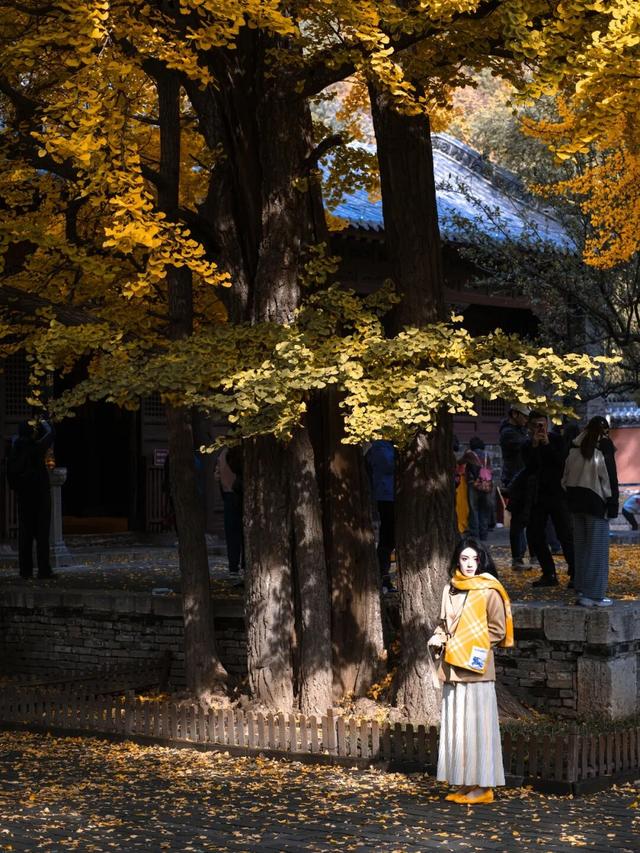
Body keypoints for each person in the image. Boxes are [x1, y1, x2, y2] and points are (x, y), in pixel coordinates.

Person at [428, 537, 514, 805]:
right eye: (464, 559)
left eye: (474, 559)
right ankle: (466, 782)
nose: (469, 564)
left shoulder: (489, 589)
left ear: (481, 560)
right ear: (457, 560)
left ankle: (484, 787)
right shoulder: (450, 589)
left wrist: (468, 648)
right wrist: (438, 638)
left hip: (476, 670)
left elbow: (498, 631)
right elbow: (445, 624)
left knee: (479, 727)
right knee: (458, 727)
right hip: (453, 667)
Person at [562, 416, 618, 607]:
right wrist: (612, 504)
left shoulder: (574, 448)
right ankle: (595, 595)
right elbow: (609, 479)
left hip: (576, 503)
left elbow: (564, 479)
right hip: (596, 503)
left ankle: (582, 590)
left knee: (582, 549)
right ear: (605, 430)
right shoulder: (603, 447)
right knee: (597, 550)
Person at [523, 411, 576, 588]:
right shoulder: (527, 444)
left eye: (542, 424)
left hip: (557, 494)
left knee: (565, 534)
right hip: (537, 495)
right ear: (530, 426)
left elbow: (561, 463)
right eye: (536, 424)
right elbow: (529, 467)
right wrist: (535, 446)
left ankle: (575, 573)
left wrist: (546, 445)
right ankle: (549, 573)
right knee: (536, 535)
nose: (540, 428)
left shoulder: (557, 440)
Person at [6, 419, 55, 579]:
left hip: (23, 497)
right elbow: (51, 435)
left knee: (25, 536)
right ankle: (43, 570)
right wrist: (45, 422)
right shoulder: (36, 448)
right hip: (40, 497)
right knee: (42, 535)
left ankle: (25, 570)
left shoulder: (14, 450)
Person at [499, 403, 531, 569]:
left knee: (524, 519)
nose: (526, 420)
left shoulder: (519, 431)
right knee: (518, 520)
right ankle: (517, 558)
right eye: (524, 416)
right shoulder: (508, 433)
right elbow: (526, 445)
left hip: (522, 478)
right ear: (515, 415)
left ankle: (521, 556)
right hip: (514, 480)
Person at [365, 439, 396, 593]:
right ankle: (383, 576)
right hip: (388, 496)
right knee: (388, 538)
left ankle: (384, 575)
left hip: (385, 495)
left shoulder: (377, 449)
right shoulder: (382, 448)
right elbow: (388, 466)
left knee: (387, 538)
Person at [215, 445, 244, 576]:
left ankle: (233, 566)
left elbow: (216, 475)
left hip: (229, 495)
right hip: (241, 494)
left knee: (232, 534)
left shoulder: (223, 453)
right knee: (243, 532)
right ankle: (245, 564)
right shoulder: (244, 449)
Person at [462, 440, 492, 542]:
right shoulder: (487, 455)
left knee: (473, 510)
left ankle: (475, 535)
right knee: (484, 510)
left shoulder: (470, 454)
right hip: (486, 485)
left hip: (473, 484)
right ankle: (484, 534)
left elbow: (460, 462)